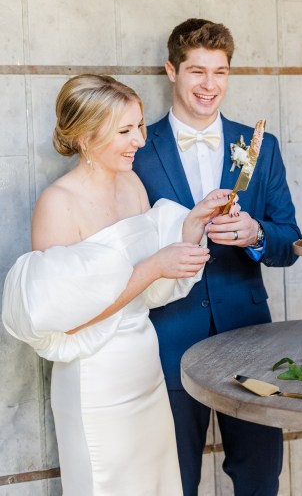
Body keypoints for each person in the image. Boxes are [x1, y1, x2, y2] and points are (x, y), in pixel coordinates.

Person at [2, 74, 237, 496]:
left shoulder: (132, 185)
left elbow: (148, 286)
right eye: (125, 131)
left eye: (140, 125)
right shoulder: (57, 203)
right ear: (86, 136)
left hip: (143, 364)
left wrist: (189, 227)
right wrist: (153, 266)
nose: (140, 141)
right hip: (93, 376)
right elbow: (66, 322)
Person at [133, 19, 302, 496]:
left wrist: (256, 234)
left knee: (259, 477)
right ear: (171, 70)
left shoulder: (259, 146)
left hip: (249, 342)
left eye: (221, 73)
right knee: (174, 479)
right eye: (197, 72)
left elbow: (290, 242)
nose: (210, 86)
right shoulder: (137, 149)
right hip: (167, 340)